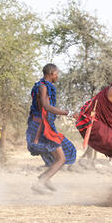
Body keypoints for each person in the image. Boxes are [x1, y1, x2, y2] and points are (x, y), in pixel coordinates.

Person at [27, 64, 78, 194]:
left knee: (62, 154)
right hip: (42, 128)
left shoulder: (43, 86)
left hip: (45, 125)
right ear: (51, 73)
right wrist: (68, 113)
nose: (57, 76)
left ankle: (45, 178)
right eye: (57, 73)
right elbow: (46, 106)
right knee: (61, 158)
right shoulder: (43, 87)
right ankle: (41, 182)